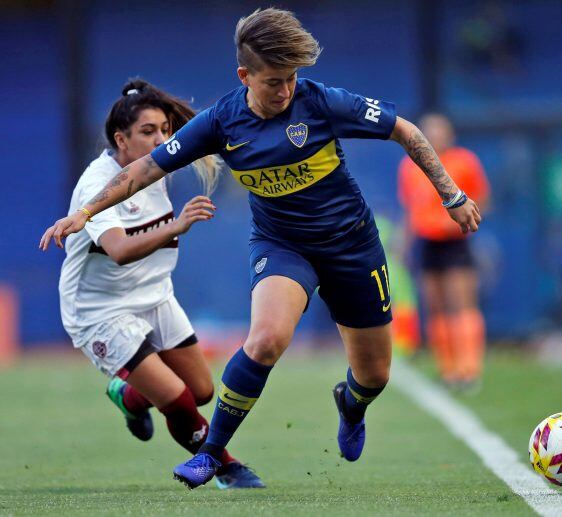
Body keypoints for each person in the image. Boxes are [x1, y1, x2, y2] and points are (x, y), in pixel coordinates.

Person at [40, 8, 482, 490]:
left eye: (292, 78)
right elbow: (141, 171)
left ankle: (351, 404)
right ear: (244, 76)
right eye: (274, 81)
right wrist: (84, 213)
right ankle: (211, 455)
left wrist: (451, 194)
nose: (286, 90)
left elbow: (406, 131)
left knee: (374, 374)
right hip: (282, 244)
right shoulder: (221, 122)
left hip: (352, 244)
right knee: (267, 339)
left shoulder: (323, 103)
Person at [52, 79, 263, 489]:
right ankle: (225, 467)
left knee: (201, 390)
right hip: (100, 311)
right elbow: (119, 250)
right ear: (121, 139)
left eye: (166, 130)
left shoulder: (157, 168)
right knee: (177, 399)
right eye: (149, 132)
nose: (162, 139)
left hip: (155, 297)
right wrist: (179, 224)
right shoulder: (99, 184)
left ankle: (128, 396)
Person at [398, 114, 489, 389]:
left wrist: (465, 221)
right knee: (435, 305)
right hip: (427, 241)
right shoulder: (410, 166)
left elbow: (482, 198)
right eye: (429, 132)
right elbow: (411, 208)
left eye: (440, 131)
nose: (435, 136)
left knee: (461, 303)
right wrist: (406, 241)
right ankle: (448, 368)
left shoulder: (464, 161)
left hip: (454, 240)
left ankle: (469, 368)